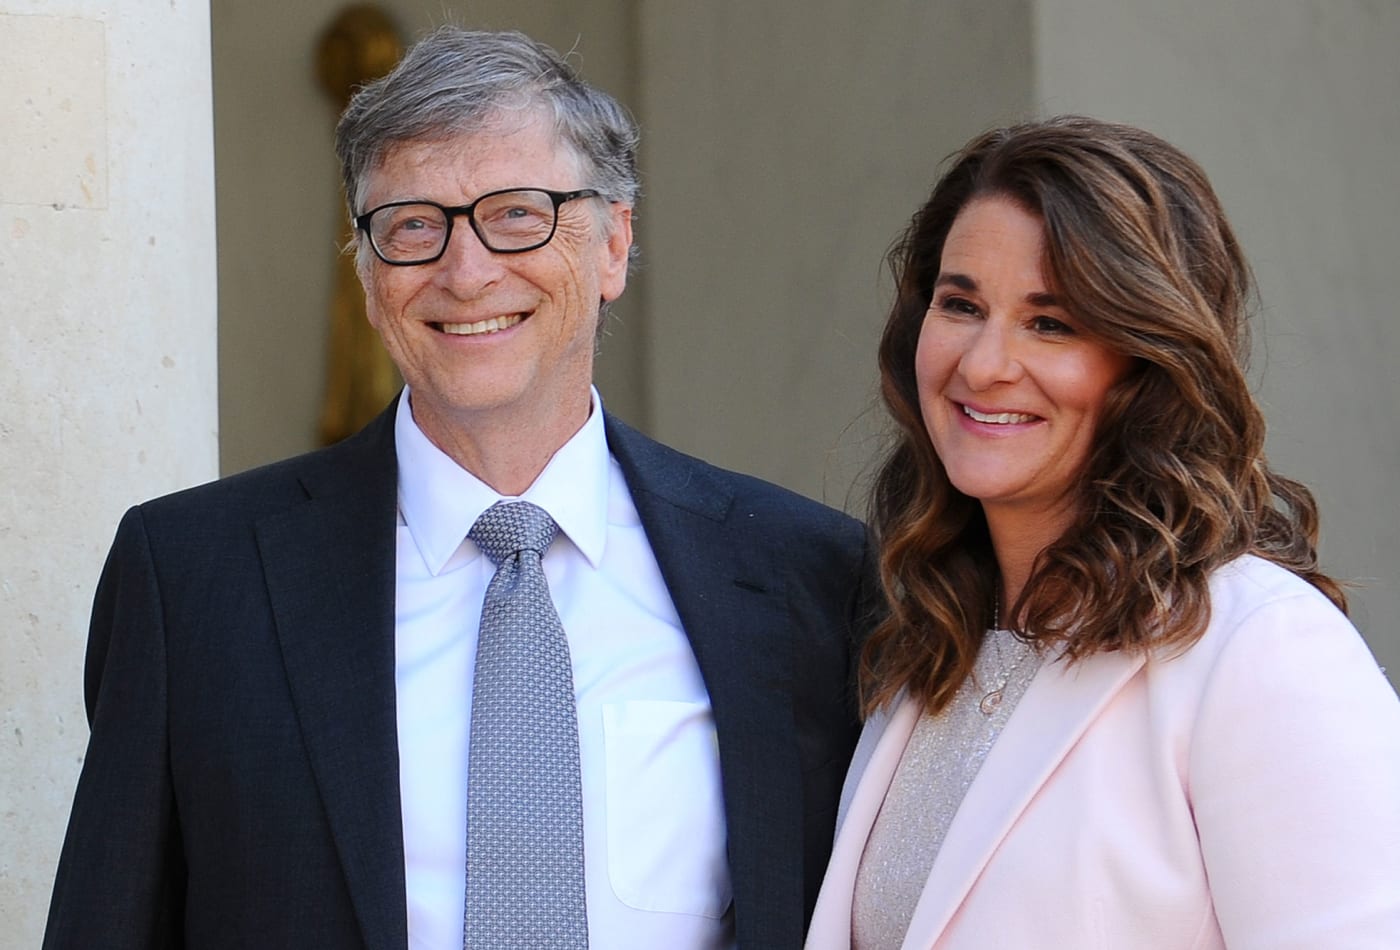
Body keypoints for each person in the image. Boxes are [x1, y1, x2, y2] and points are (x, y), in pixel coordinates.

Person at [44, 28, 875, 950]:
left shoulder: (806, 579)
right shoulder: (193, 581)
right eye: (413, 225)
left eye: (519, 213)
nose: (467, 269)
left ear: (613, 244)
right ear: (367, 276)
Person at [805, 116, 1400, 949]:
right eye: (960, 304)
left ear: (1149, 360)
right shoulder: (929, 649)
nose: (982, 365)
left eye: (1051, 323)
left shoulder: (1261, 650)